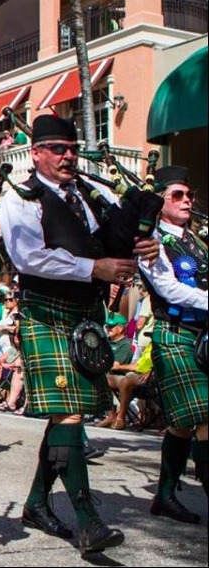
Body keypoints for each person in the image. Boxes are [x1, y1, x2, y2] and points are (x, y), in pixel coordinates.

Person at [0, 114, 159, 557]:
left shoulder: (93, 193)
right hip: (45, 312)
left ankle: (35, 503)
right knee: (67, 412)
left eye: (71, 148)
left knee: (67, 414)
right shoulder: (21, 199)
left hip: (85, 314)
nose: (67, 156)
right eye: (56, 148)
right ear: (36, 154)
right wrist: (94, 268)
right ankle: (88, 520)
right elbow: (29, 257)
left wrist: (147, 244)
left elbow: (120, 239)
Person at [138, 165, 207, 525]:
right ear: (160, 202)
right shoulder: (150, 239)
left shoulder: (198, 239)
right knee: (205, 416)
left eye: (189, 194)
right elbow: (168, 288)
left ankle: (164, 495)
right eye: (176, 195)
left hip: (203, 337)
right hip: (175, 334)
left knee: (181, 423)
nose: (186, 200)